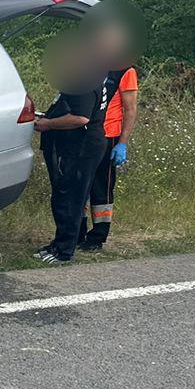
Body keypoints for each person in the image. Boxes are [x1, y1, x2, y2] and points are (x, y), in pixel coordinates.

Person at [34, 33, 108, 264]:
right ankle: (65, 241)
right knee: (67, 195)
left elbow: (80, 118)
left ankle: (64, 250)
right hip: (77, 145)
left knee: (70, 197)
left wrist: (48, 124)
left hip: (80, 148)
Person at [78, 51, 139, 251]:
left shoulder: (125, 71)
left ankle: (97, 237)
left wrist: (123, 142)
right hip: (85, 134)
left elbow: (130, 109)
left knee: (101, 188)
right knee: (80, 186)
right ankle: (77, 232)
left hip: (109, 136)